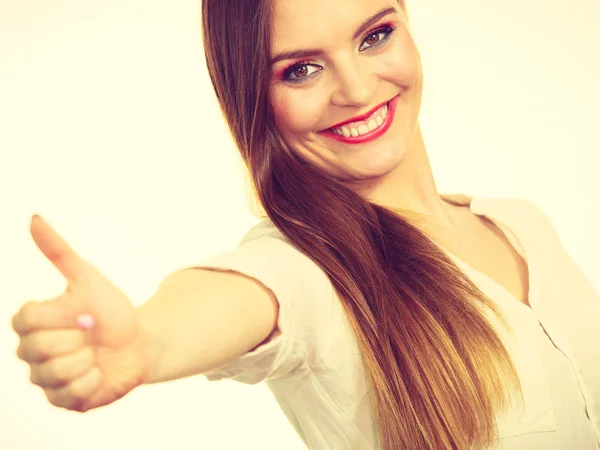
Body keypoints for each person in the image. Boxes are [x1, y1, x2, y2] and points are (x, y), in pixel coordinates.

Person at [10, 0, 600, 449]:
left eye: (375, 35)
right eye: (301, 70)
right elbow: (246, 295)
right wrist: (145, 341)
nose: (356, 88)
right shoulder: (306, 272)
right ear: (253, 97)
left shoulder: (522, 222)